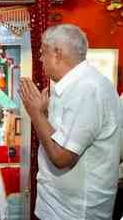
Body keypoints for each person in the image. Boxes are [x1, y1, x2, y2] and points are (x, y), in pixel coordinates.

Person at [19, 24, 123, 220]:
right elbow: (62, 133)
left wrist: (35, 114)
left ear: (57, 53)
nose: (40, 59)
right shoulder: (73, 86)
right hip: (58, 205)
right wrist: (43, 112)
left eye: (43, 53)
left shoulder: (87, 89)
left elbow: (62, 157)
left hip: (75, 211)